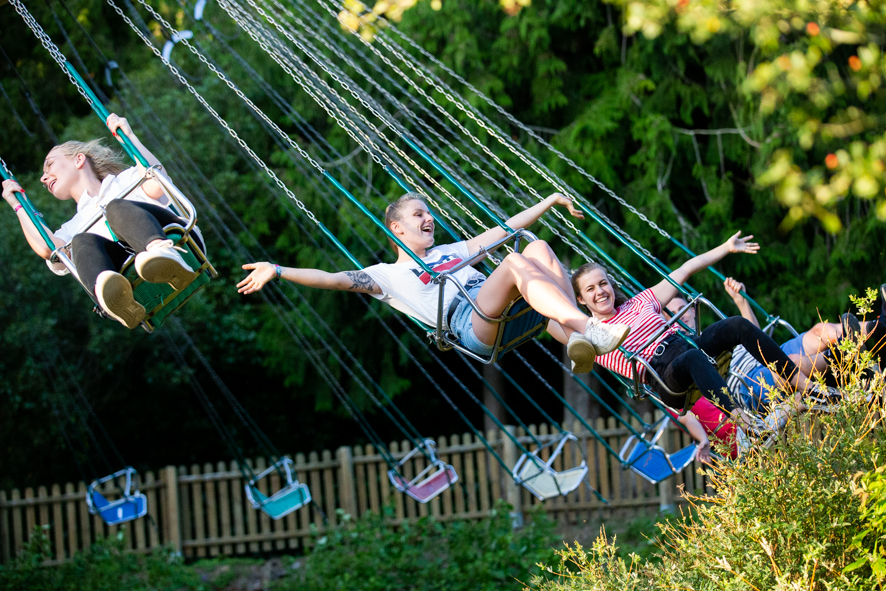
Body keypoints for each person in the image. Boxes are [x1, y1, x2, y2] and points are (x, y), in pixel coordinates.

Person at [238, 192, 630, 371]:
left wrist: (547, 201)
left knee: (539, 248)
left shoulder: (452, 250)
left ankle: (575, 335)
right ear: (397, 228)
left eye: (428, 213)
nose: (429, 219)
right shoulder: (385, 276)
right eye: (418, 214)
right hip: (469, 322)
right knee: (513, 263)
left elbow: (506, 226)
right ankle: (587, 327)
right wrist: (279, 269)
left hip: (502, 306)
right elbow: (334, 279)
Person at [570, 231, 822, 420]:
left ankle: (805, 386)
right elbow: (556, 320)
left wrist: (725, 247)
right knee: (692, 357)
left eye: (603, 284)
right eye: (590, 289)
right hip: (664, 375)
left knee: (736, 324)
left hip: (686, 345)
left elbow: (685, 269)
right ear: (580, 299)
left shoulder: (641, 301)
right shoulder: (593, 334)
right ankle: (742, 420)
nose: (600, 291)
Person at [1, 114, 202, 329]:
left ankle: (163, 255)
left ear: (79, 160)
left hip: (174, 239)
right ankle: (115, 296)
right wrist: (18, 206)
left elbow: (158, 181)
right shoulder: (73, 228)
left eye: (49, 165)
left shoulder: (126, 180)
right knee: (80, 242)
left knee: (114, 208)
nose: (43, 177)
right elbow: (49, 249)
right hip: (131, 267)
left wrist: (129, 137)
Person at [667, 279, 867, 411]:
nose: (681, 315)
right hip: (749, 387)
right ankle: (847, 352)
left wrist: (741, 301)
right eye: (674, 314)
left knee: (818, 331)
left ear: (693, 310)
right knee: (792, 365)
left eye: (682, 309)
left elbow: (752, 337)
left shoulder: (714, 333)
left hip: (767, 357)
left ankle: (877, 327)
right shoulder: (684, 356)